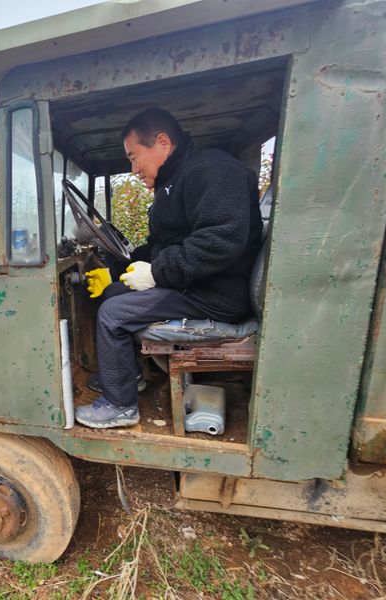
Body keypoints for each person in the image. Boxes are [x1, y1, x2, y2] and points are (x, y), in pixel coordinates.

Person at [74, 108, 263, 429]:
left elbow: (221, 240)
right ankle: (127, 377)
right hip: (198, 284)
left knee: (113, 314)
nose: (133, 169)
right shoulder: (175, 181)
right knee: (113, 293)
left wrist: (157, 274)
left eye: (134, 157)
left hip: (217, 294)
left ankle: (120, 406)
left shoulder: (212, 169)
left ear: (162, 142)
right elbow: (159, 246)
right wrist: (119, 270)